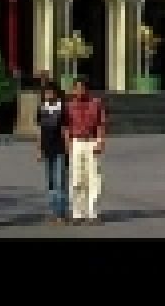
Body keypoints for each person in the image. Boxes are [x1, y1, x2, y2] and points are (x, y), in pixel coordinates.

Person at [62, 75, 107, 226]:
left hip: (91, 142)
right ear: (73, 90)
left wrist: (100, 142)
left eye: (82, 87)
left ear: (87, 89)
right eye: (77, 88)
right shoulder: (69, 106)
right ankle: (77, 213)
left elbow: (101, 124)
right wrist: (68, 143)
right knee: (76, 178)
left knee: (94, 178)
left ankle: (92, 213)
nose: (79, 91)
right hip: (76, 143)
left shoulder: (96, 103)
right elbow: (66, 126)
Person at [35, 80, 69, 224]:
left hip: (60, 148)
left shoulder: (62, 108)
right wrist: (39, 149)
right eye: (46, 92)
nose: (48, 94)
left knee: (60, 180)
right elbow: (39, 130)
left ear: (56, 93)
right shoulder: (42, 108)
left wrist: (68, 148)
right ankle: (53, 211)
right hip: (47, 148)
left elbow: (65, 129)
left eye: (51, 92)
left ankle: (61, 212)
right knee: (50, 181)